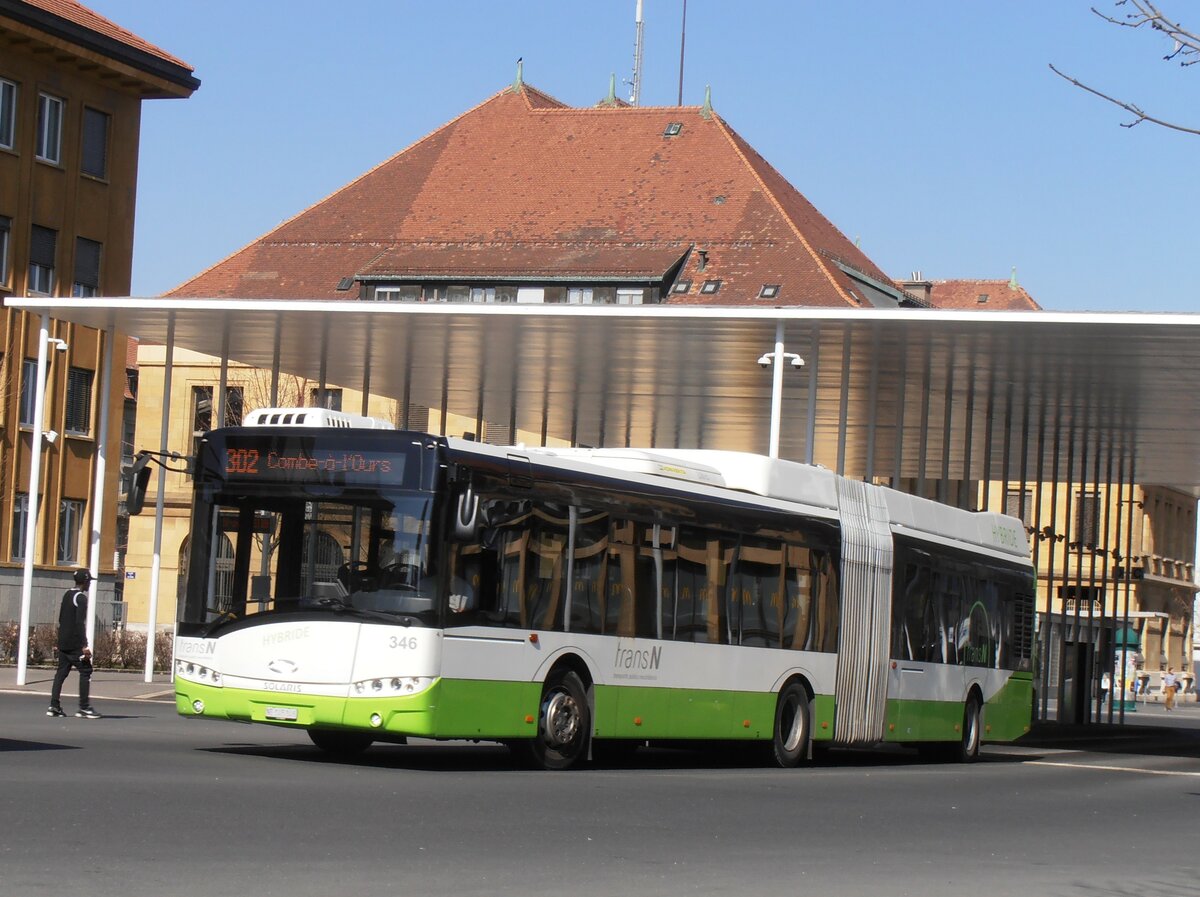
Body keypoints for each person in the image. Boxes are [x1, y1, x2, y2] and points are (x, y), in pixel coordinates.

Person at [47, 570, 101, 719]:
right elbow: (79, 623)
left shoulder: (67, 594)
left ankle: (54, 705)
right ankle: (84, 707)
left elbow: (61, 619)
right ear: (84, 582)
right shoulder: (81, 598)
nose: (90, 584)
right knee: (86, 670)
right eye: (89, 581)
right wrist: (84, 644)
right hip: (74, 644)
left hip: (63, 641)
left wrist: (60, 639)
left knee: (61, 673)